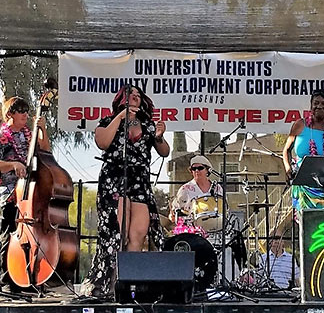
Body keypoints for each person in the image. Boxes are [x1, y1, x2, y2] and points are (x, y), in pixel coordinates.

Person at [80, 85, 169, 299]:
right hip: (114, 178)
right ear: (121, 99)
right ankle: (111, 284)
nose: (136, 99)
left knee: (137, 232)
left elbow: (164, 151)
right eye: (131, 96)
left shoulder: (147, 124)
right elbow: (102, 141)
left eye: (139, 96)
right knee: (117, 231)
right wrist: (120, 117)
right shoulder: (109, 121)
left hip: (139, 180)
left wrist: (158, 136)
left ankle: (130, 283)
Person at [0, 96, 50, 285]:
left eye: (27, 110)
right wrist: (13, 164)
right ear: (10, 113)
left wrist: (41, 130)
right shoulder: (1, 136)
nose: (25, 113)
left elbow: (45, 152)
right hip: (8, 192)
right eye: (21, 110)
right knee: (8, 234)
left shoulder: (29, 134)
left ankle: (30, 276)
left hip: (29, 193)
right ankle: (6, 279)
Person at [169, 155, 223, 234]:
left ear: (207, 170)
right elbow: (174, 212)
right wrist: (172, 216)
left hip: (216, 230)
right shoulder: (185, 189)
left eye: (200, 168)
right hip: (193, 232)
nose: (196, 171)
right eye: (193, 169)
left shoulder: (217, 188)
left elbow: (224, 209)